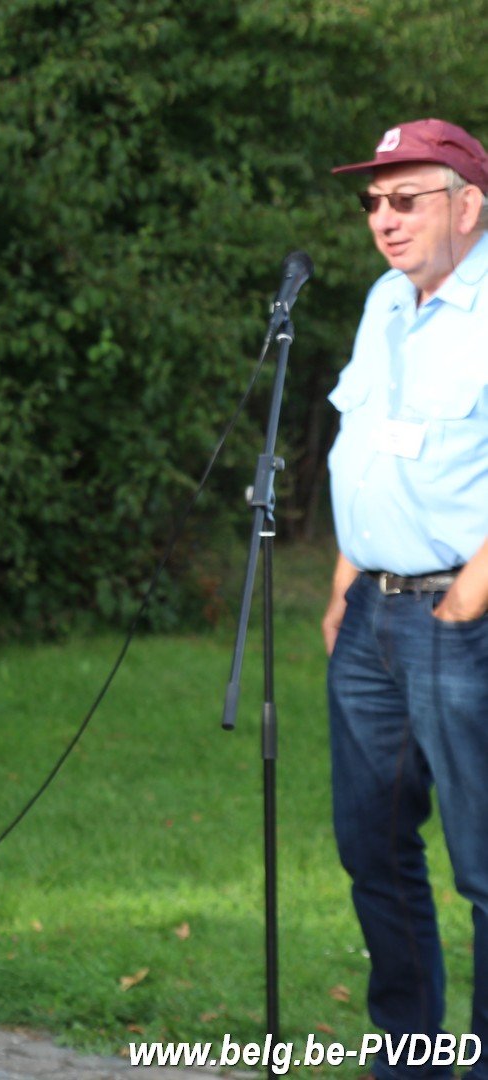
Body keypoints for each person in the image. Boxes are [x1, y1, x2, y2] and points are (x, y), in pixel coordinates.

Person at [323, 118, 488, 1078]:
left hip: (460, 624)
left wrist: (471, 594)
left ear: (468, 206)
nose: (383, 219)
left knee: (484, 868)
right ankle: (412, 1061)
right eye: (373, 201)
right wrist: (347, 576)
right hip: (371, 621)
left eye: (405, 198)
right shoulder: (385, 301)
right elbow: (370, 441)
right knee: (374, 853)